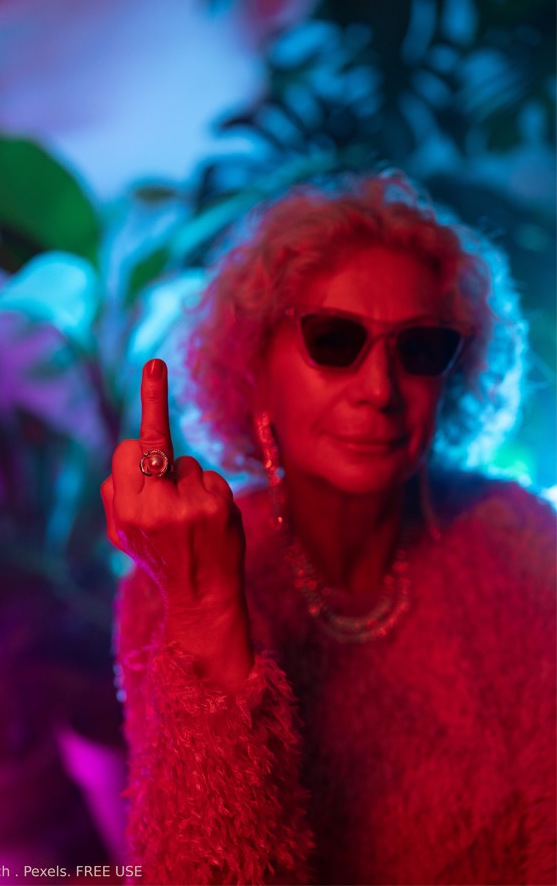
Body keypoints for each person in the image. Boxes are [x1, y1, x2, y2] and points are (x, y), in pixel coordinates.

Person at [101, 172, 556, 886]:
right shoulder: (176, 579)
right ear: (253, 365)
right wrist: (207, 610)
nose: (379, 389)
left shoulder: (516, 538)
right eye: (334, 339)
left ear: (454, 375)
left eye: (419, 348)